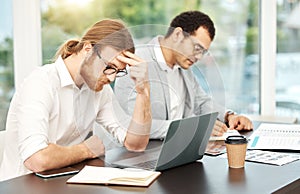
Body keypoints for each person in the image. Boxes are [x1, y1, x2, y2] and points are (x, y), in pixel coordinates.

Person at [0, 19, 151, 181]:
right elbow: (37, 159)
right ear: (87, 49)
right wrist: (86, 150)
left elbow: (136, 144)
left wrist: (143, 91)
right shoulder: (41, 82)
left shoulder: (100, 91)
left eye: (118, 72)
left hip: (64, 180)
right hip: (22, 185)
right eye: (109, 66)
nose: (112, 78)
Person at [114, 10, 253, 139]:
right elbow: (131, 124)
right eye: (197, 48)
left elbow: (201, 102)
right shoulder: (135, 63)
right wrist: (189, 128)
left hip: (176, 150)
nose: (199, 57)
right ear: (177, 35)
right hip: (138, 156)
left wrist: (229, 116)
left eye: (203, 52)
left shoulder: (183, 68)